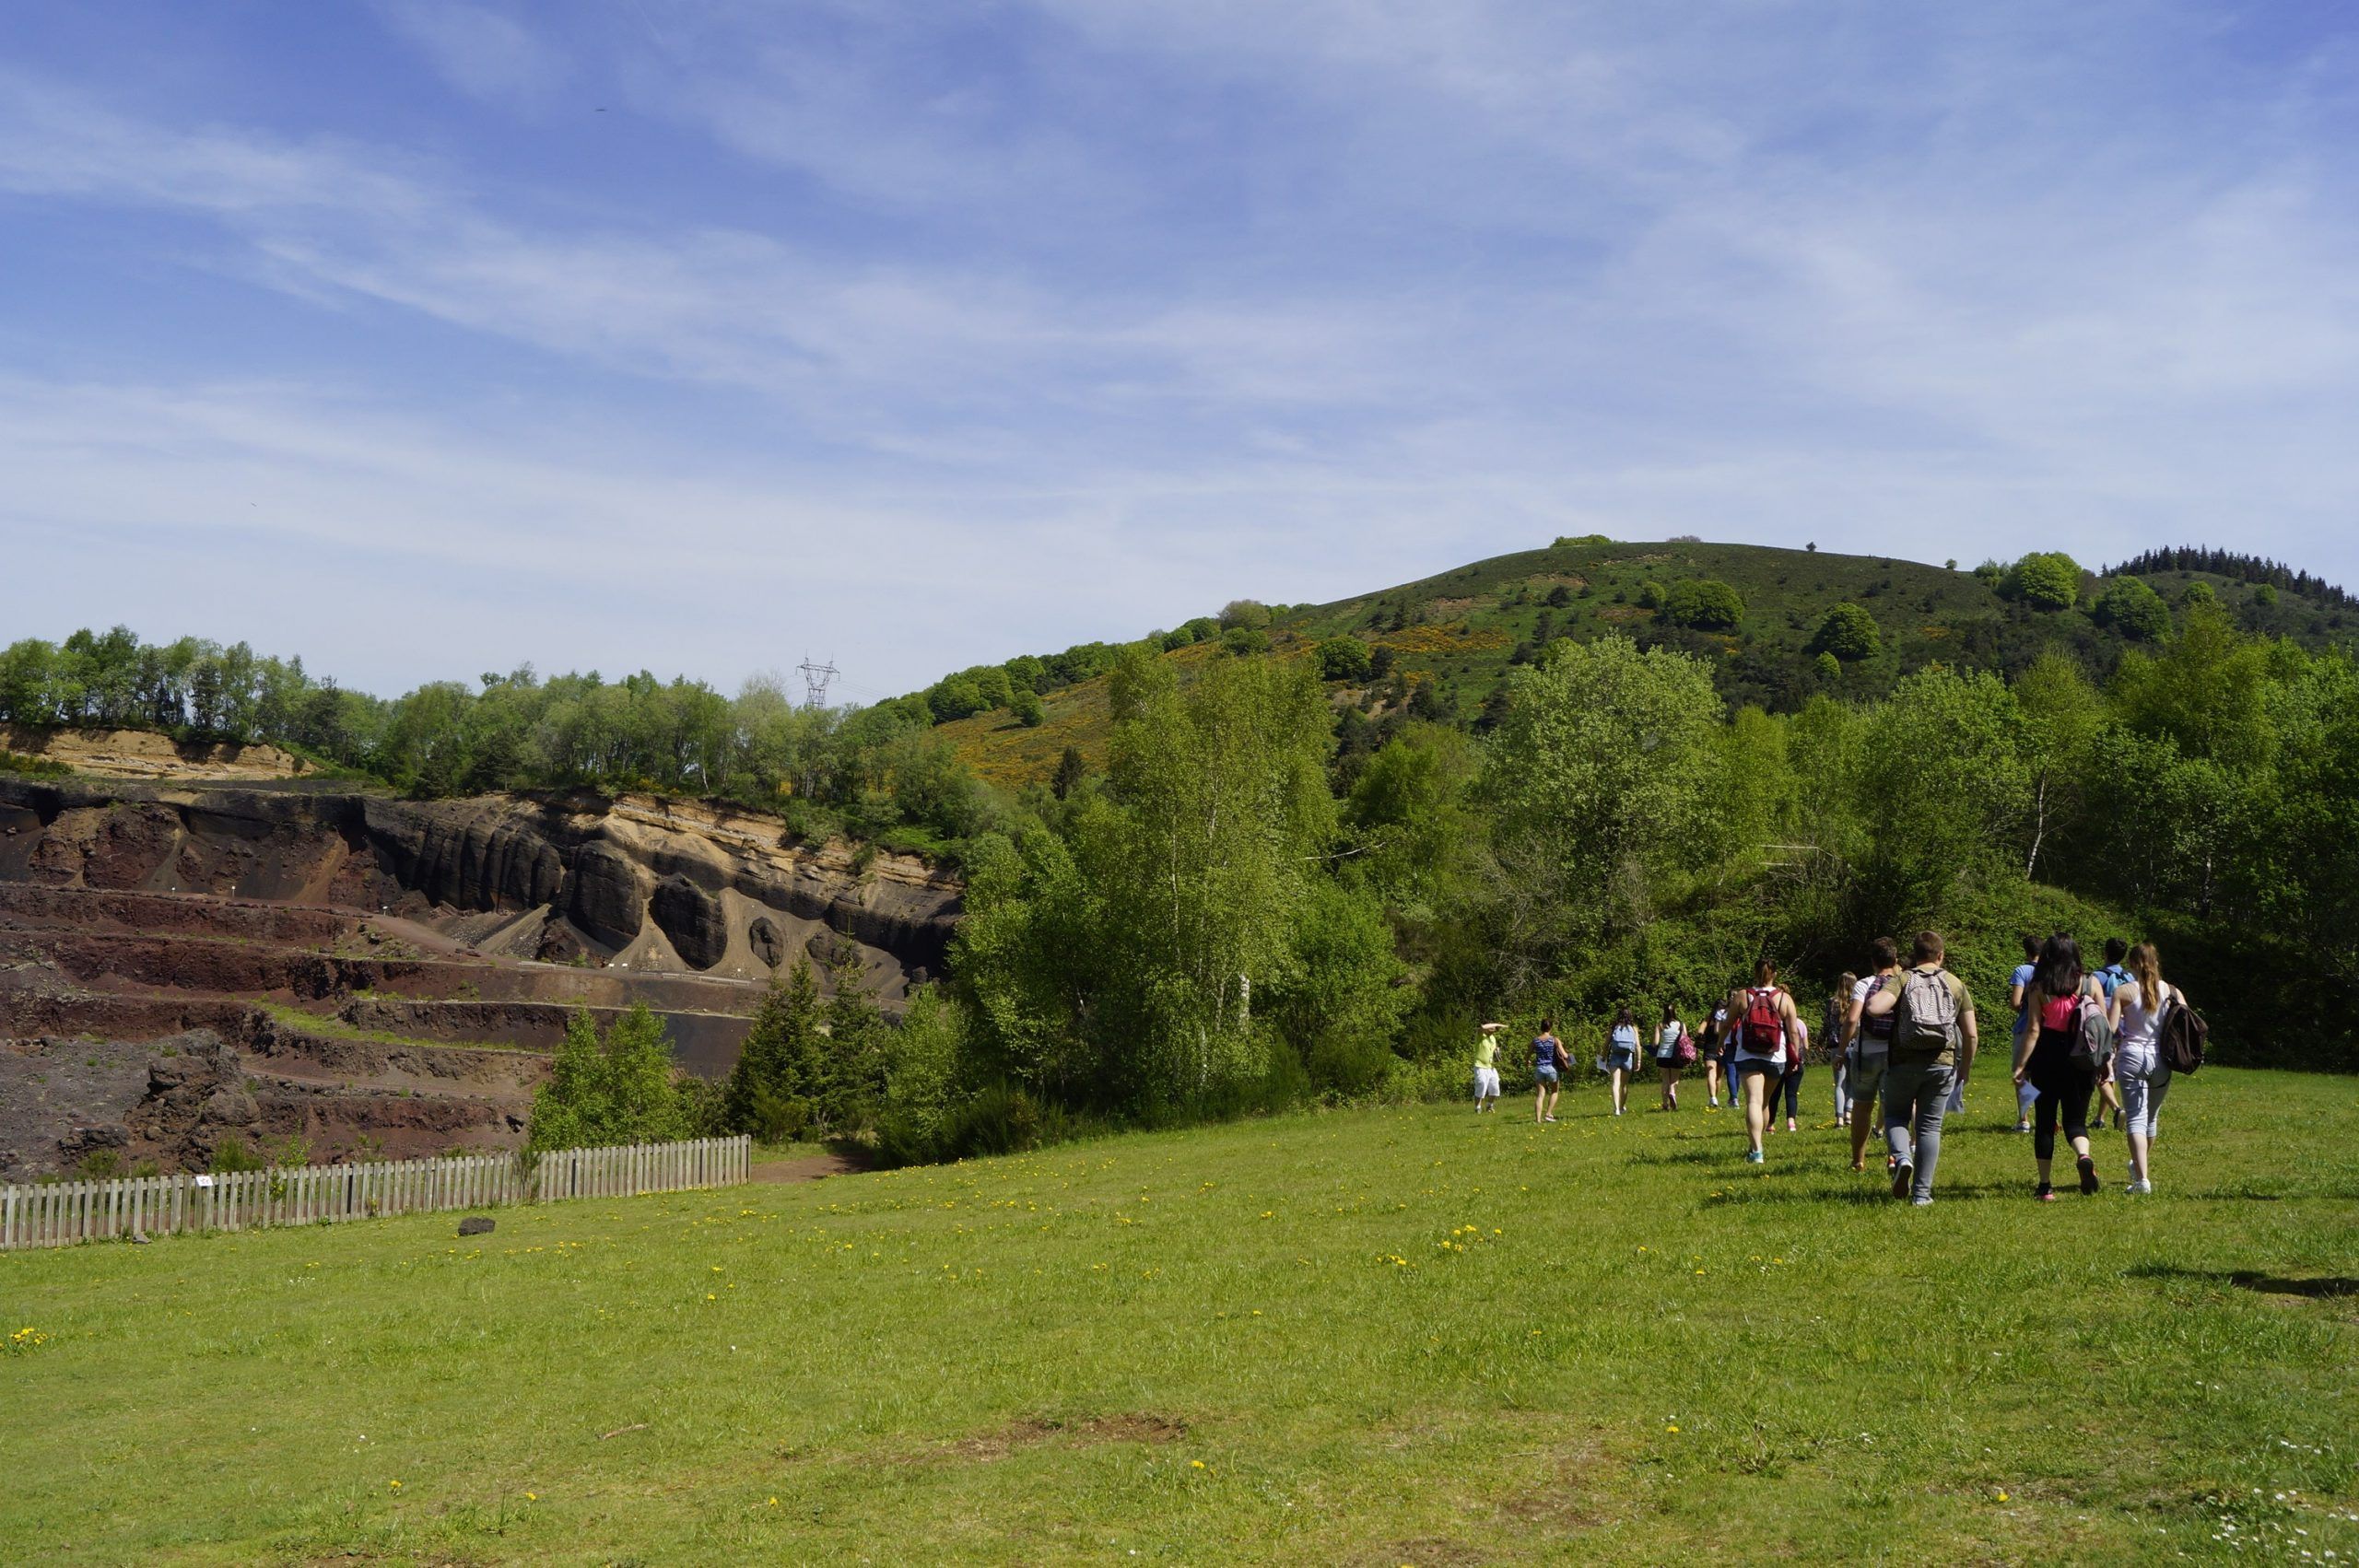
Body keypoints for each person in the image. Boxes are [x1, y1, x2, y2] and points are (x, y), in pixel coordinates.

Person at [1883, 930, 1978, 1205]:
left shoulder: (1903, 978)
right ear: (1940, 955)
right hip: (1942, 1063)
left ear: (1914, 955)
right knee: (1929, 1128)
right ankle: (1922, 1196)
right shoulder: (1955, 983)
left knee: (1896, 1117)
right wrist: (1965, 1068)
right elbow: (1971, 1034)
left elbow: (1876, 1008)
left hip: (1903, 1062)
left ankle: (1902, 1158)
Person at [2014, 933, 2107, 1200]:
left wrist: (2021, 1066)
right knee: (2075, 1121)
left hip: (2047, 1058)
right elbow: (2102, 1028)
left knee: (2045, 1123)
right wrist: (2104, 1062)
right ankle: (2084, 1155)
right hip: (2082, 1059)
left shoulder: (2038, 986)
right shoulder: (2091, 983)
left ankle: (2045, 1187)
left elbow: (2033, 1030)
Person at [2105, 942, 2179, 1194]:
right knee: (2151, 1118)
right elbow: (2186, 1020)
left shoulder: (2124, 991)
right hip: (2162, 1060)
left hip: (2132, 1057)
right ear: (2156, 962)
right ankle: (2139, 1168)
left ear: (2133, 964)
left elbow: (2111, 1028)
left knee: (2135, 1118)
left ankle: (2142, 1180)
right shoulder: (2172, 991)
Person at [1723, 961, 1801, 1164]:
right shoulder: (1784, 998)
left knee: (1754, 1102)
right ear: (1774, 974)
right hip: (1775, 1057)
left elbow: (1727, 1023)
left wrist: (1719, 1044)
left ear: (1755, 973)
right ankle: (1756, 1145)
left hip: (1747, 1055)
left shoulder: (1743, 995)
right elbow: (1793, 1032)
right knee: (1764, 1102)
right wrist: (1797, 1055)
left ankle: (1756, 1150)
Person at [1846, 939, 1901, 1173]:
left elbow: (1851, 1019)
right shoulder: (1903, 983)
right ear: (1895, 961)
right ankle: (1893, 1157)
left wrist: (1841, 1051)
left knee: (1862, 1107)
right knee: (1893, 1109)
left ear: (1873, 962)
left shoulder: (1864, 984)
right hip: (1895, 1054)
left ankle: (1858, 1161)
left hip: (1866, 1052)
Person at [2091, 938, 2132, 1130]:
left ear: (2105, 953)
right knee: (2112, 1075)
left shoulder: (2097, 977)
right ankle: (2100, 1118)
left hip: (2105, 1031)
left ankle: (2116, 1110)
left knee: (2101, 1073)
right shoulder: (2130, 978)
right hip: (2127, 1032)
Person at [2008, 934, 2042, 1132]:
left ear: (2027, 952)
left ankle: (2024, 1119)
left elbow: (2015, 1002)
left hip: (2025, 1027)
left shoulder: (2022, 970)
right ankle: (2046, 1116)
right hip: (2047, 1030)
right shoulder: (2050, 972)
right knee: (2042, 1076)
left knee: (2021, 1075)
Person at [1826, 973, 1857, 1126]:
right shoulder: (1857, 1003)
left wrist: (1820, 1040)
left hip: (1836, 1047)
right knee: (1852, 1082)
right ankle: (1848, 1114)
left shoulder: (1832, 1002)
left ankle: (1838, 1118)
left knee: (1839, 1084)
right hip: (1854, 1045)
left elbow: (1827, 1024)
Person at [1775, 1013, 1810, 1134]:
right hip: (1796, 1062)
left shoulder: (1777, 1022)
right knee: (1791, 1094)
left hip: (1778, 1061)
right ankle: (1791, 1122)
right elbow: (1806, 1046)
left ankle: (1770, 1123)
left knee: (1775, 1094)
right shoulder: (1800, 1024)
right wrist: (1801, 1058)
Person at [1653, 1002, 1690, 1111]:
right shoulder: (1681, 1025)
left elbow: (1655, 1043)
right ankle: (1672, 1093)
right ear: (1675, 1011)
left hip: (1662, 1056)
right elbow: (1685, 1040)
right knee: (1674, 1080)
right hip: (1677, 1056)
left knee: (1665, 1080)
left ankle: (1665, 1105)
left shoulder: (1660, 1025)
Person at [1604, 1006, 1640, 1117]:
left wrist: (1603, 1055)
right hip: (1627, 1058)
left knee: (1616, 1083)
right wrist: (1638, 1061)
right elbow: (1638, 1046)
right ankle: (1622, 1107)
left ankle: (1616, 1109)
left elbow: (1606, 1043)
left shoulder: (1614, 1027)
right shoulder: (1633, 1028)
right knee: (1624, 1085)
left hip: (1615, 1057)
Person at [1533, 1017, 1565, 1124]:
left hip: (1539, 1069)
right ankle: (1548, 1113)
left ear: (1541, 1027)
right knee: (1555, 1091)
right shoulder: (1555, 1040)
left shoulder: (1536, 1040)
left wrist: (1527, 1061)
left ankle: (1538, 1119)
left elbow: (1527, 1055)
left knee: (1540, 1094)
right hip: (1551, 1069)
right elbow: (1564, 1055)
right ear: (1550, 1027)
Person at [1473, 1022, 1503, 1113]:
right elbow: (1481, 1029)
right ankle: (1477, 1108)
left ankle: (1489, 1106)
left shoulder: (1493, 1038)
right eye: (1491, 1028)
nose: (1493, 1030)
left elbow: (1494, 1049)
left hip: (1491, 1067)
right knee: (1481, 1085)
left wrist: (1497, 1053)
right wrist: (1491, 1025)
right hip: (1480, 1066)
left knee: (1495, 1086)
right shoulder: (1480, 1036)